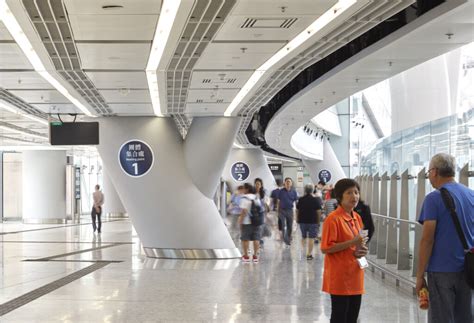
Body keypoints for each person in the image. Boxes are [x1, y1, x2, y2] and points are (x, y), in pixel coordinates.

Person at [416, 153, 473, 323]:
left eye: (428, 173)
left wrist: (419, 276)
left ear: (434, 172)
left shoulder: (433, 199)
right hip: (469, 269)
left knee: (441, 318)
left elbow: (427, 239)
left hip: (442, 271)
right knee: (465, 318)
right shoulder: (471, 195)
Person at [321, 178, 368, 323]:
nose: (354, 196)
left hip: (355, 274)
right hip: (340, 276)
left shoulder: (357, 217)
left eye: (356, 192)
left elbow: (358, 242)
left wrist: (361, 249)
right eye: (349, 193)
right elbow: (326, 248)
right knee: (340, 316)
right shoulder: (333, 219)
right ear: (340, 196)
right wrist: (352, 242)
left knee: (353, 316)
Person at [239, 183, 263, 263]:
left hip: (247, 222)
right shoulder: (256, 197)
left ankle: (246, 256)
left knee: (245, 239)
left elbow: (244, 211)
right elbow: (260, 209)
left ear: (247, 189)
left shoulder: (244, 198)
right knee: (256, 238)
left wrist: (240, 221)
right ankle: (255, 256)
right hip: (257, 221)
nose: (243, 190)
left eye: (244, 188)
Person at [296, 184, 322, 260]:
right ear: (312, 190)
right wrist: (318, 221)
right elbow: (318, 211)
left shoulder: (301, 199)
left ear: (305, 190)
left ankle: (301, 252)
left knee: (303, 236)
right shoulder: (316, 199)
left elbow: (298, 210)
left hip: (302, 220)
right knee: (311, 237)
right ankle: (309, 254)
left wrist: (297, 219)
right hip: (312, 221)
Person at [277, 177, 298, 246]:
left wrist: (296, 213)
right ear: (284, 183)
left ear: (291, 183)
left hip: (290, 210)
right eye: (287, 182)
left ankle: (288, 238)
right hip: (282, 211)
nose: (288, 183)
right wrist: (278, 211)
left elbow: (295, 202)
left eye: (289, 182)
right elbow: (278, 201)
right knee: (283, 225)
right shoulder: (281, 191)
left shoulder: (294, 192)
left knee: (290, 226)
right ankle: (286, 240)